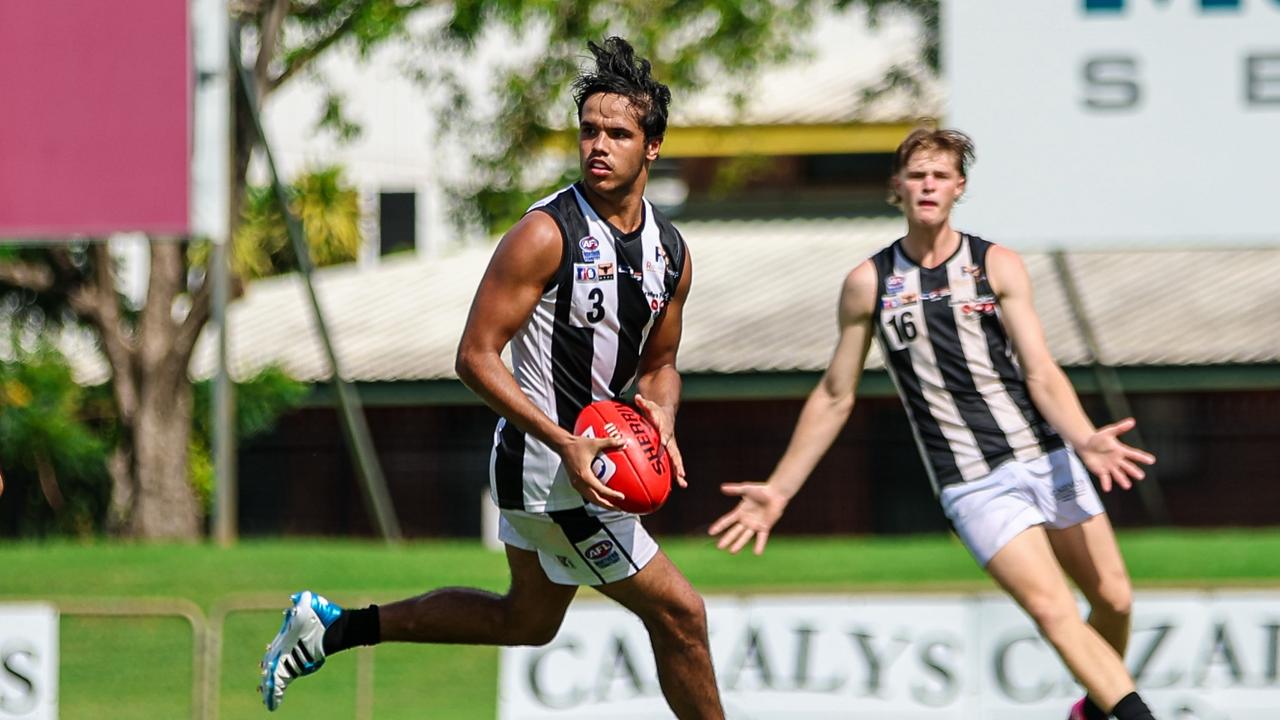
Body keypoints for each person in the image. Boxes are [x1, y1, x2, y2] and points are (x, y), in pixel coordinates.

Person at [258, 37, 724, 719]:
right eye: (589, 130)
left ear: (651, 147)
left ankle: (332, 626)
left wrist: (663, 415)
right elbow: (474, 357)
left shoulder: (671, 254)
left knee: (526, 623)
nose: (598, 145)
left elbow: (659, 366)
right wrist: (563, 441)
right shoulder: (545, 233)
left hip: (585, 463)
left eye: (618, 133)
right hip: (548, 468)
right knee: (682, 613)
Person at [708, 127, 1159, 720]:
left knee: (1116, 599)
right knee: (1052, 610)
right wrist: (780, 490)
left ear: (958, 188)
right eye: (917, 174)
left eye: (940, 175)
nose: (928, 185)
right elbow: (836, 395)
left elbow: (1042, 370)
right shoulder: (869, 283)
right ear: (896, 186)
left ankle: (1093, 713)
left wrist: (1084, 439)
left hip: (1047, 457)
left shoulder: (996, 264)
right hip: (974, 483)